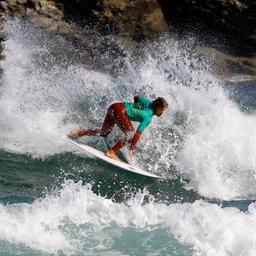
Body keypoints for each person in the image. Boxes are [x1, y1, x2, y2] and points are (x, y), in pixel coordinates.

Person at [69, 96, 168, 161]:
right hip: (120, 112)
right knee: (130, 134)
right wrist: (132, 149)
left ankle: (79, 133)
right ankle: (111, 152)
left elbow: (137, 97)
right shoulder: (148, 117)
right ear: (158, 108)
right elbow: (137, 134)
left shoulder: (146, 101)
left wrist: (135, 106)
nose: (162, 113)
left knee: (103, 132)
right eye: (162, 110)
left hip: (115, 106)